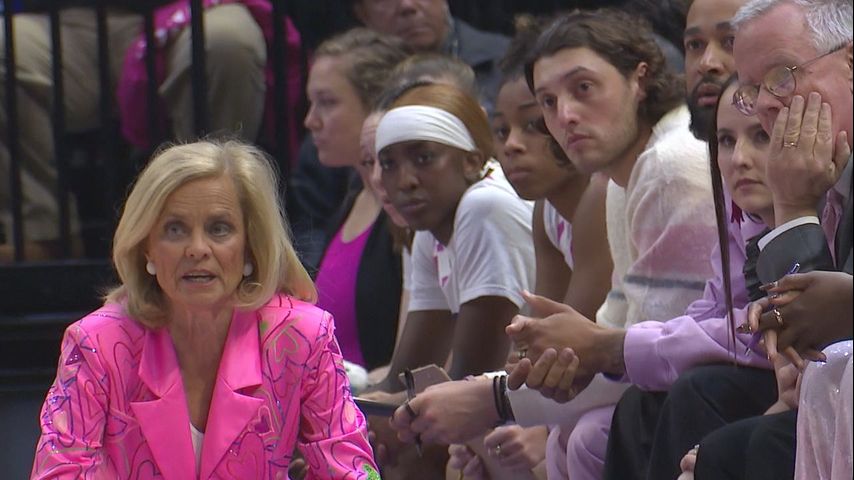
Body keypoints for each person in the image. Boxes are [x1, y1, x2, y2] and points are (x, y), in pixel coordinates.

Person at [30, 140, 378, 479]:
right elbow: (58, 471)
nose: (197, 249)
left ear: (250, 245)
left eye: (219, 229)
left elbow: (352, 466)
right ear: (147, 248)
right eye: (175, 229)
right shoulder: (97, 343)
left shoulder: (302, 336)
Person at [499, 8, 718, 479]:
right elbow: (617, 330)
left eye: (583, 88)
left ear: (639, 78)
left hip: (726, 385)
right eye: (548, 102)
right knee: (572, 433)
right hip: (690, 383)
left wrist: (493, 399)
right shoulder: (624, 177)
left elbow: (648, 356)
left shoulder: (670, 164)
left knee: (592, 435)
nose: (565, 115)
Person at [0, 1, 302, 262]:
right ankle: (44, 236)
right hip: (72, 19)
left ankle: (216, 226)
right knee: (6, 43)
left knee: (227, 42)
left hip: (196, 10)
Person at [691, 0, 853, 478]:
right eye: (751, 89)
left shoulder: (803, 177)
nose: (764, 104)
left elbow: (828, 343)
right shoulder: (820, 172)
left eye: (782, 76)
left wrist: (792, 205)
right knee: (707, 422)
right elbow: (804, 360)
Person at [304, 28, 408, 374]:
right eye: (311, 103)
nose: (310, 120)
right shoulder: (353, 194)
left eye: (327, 102)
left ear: (377, 104)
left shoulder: (408, 210)